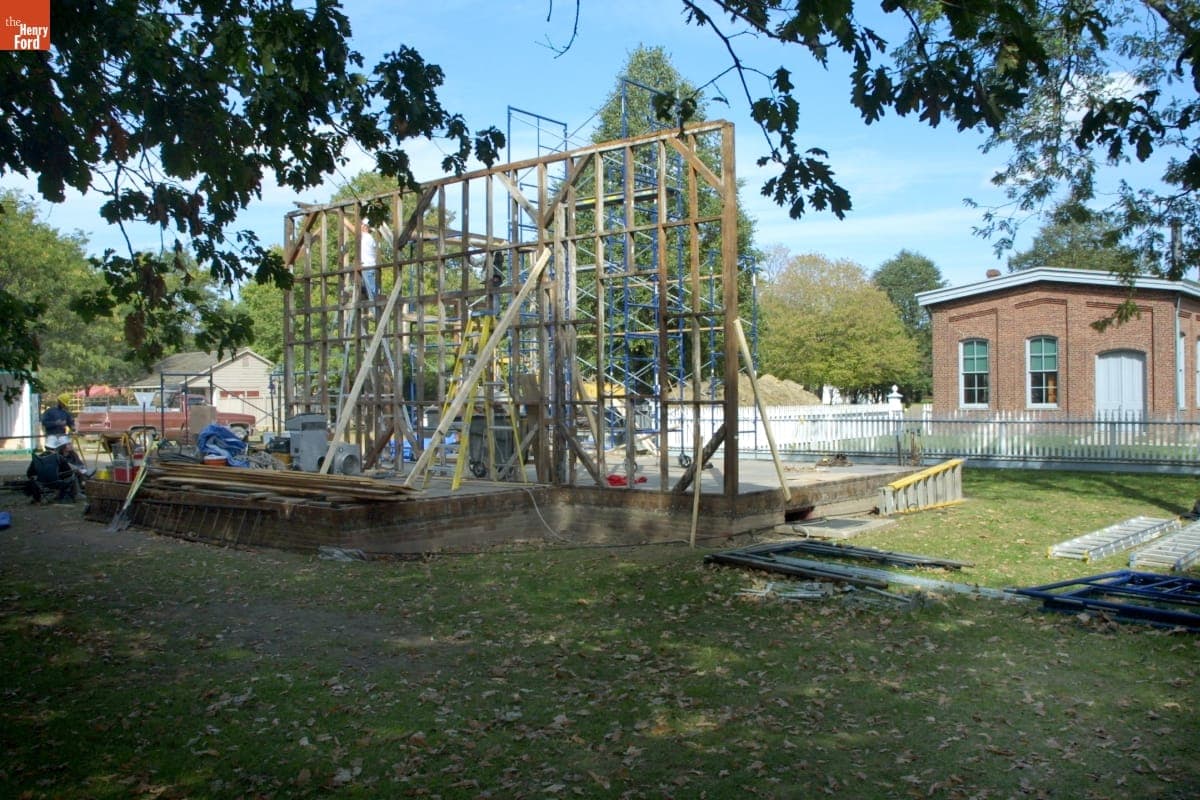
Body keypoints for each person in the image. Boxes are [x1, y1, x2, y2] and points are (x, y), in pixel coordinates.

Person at [40, 393, 91, 478]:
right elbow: (44, 423)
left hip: (62, 437)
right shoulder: (49, 411)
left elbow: (70, 423)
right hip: (52, 437)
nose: (64, 405)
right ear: (59, 401)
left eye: (65, 404)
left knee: (71, 452)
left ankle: (82, 470)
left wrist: (74, 428)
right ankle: (54, 474)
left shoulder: (65, 413)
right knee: (52, 456)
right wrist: (55, 423)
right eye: (63, 403)